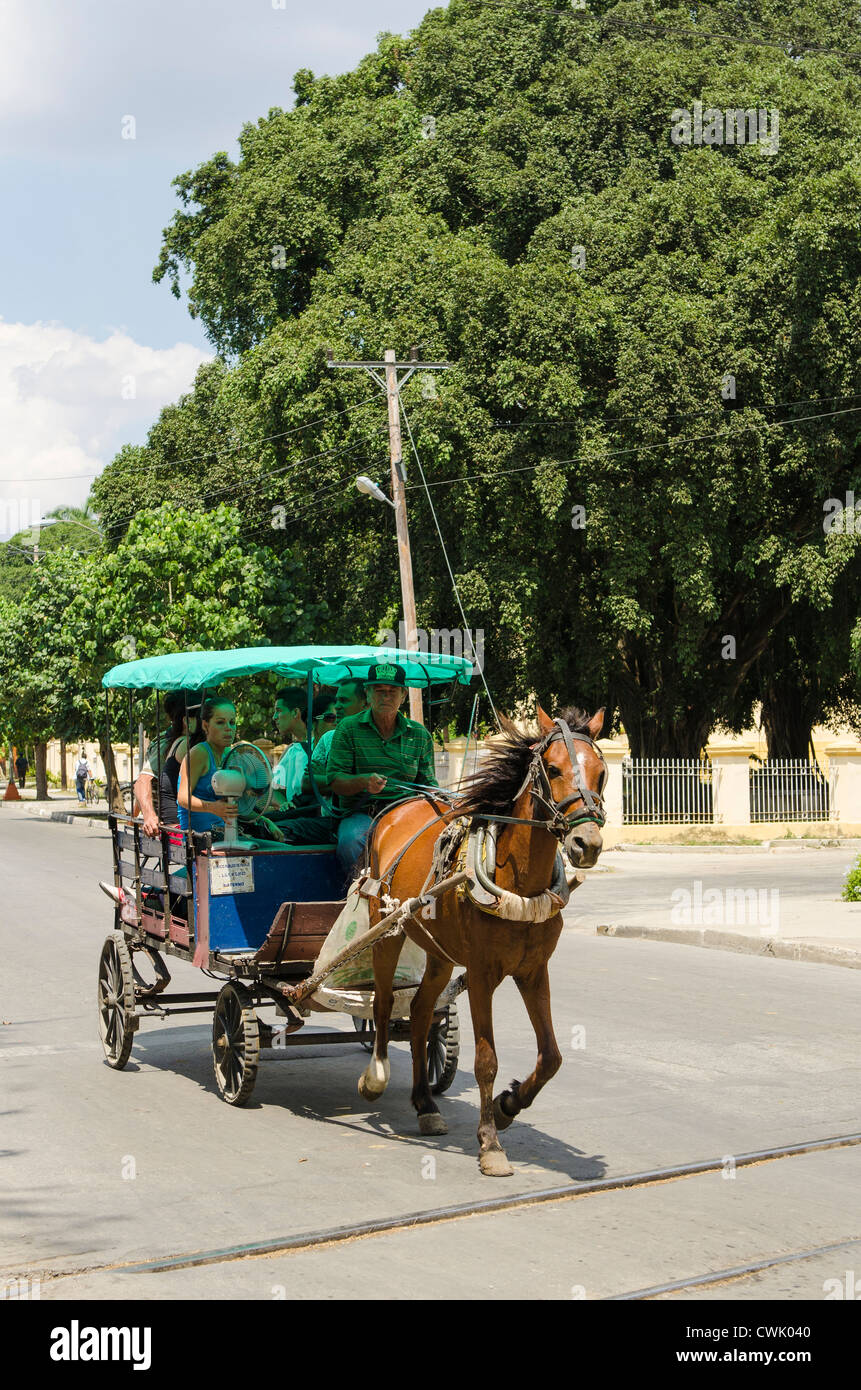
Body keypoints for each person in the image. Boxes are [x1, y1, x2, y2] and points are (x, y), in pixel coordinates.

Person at [326, 663, 437, 881]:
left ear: (403, 695)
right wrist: (364, 781)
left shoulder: (420, 735)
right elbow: (335, 779)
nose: (385, 697)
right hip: (362, 814)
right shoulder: (348, 728)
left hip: (406, 814)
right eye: (379, 691)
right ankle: (362, 894)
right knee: (351, 841)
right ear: (367, 693)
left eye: (392, 691)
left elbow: (428, 784)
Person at [281, 678, 367, 845]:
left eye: (344, 701)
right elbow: (307, 783)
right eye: (337, 701)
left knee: (352, 841)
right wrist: (346, 781)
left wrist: (329, 778)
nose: (338, 708)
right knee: (278, 829)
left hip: (357, 816)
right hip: (326, 817)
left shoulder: (372, 739)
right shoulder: (328, 739)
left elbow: (370, 784)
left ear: (365, 703)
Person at [134, 690, 208, 836]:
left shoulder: (201, 745)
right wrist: (148, 816)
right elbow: (143, 781)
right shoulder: (174, 744)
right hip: (173, 823)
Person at [176, 697, 240, 837]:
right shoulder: (200, 753)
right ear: (205, 726)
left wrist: (265, 820)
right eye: (220, 722)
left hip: (225, 833)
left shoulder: (230, 755)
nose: (228, 728)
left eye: (232, 722)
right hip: (199, 837)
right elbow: (182, 798)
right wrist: (213, 808)